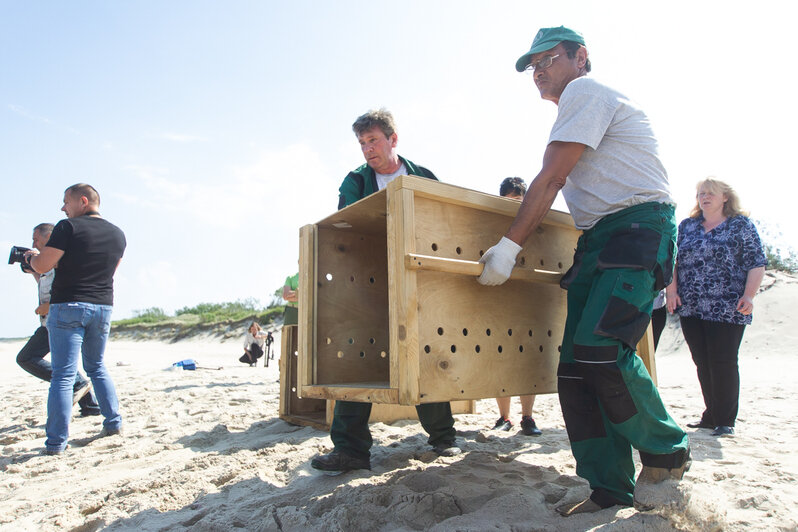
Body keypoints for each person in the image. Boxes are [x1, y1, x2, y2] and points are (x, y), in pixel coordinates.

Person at [478, 26, 690, 515]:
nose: (539, 71)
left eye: (548, 59)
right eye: (533, 66)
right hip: (596, 239)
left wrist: (509, 246)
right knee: (574, 370)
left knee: (600, 350)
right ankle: (609, 486)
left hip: (638, 228)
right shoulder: (575, 106)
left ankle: (666, 448)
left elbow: (552, 176)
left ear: (581, 58)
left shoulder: (586, 91)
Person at [311, 108, 460, 475]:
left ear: (393, 139)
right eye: (362, 143)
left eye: (373, 140)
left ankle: (443, 437)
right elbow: (346, 227)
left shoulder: (422, 176)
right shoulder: (356, 180)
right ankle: (350, 449)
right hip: (368, 284)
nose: (367, 150)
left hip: (419, 280)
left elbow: (444, 223)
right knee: (356, 356)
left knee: (424, 354)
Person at [26, 184, 126, 455]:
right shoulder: (118, 234)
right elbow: (109, 271)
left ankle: (56, 442)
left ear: (83, 201)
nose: (62, 208)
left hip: (69, 305)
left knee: (62, 375)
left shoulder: (67, 227)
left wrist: (33, 259)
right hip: (103, 306)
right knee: (96, 367)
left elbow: (42, 266)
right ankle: (113, 422)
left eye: (65, 202)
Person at [666, 178, 766, 437]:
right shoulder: (687, 226)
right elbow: (673, 261)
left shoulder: (740, 225)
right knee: (702, 362)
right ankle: (711, 415)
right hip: (691, 305)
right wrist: (672, 291)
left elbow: (756, 262)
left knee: (722, 361)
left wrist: (749, 295)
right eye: (700, 193)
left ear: (725, 197)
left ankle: (725, 419)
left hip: (728, 305)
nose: (704, 197)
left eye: (710, 193)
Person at [16, 223, 101, 417]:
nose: (33, 243)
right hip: (52, 320)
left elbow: (69, 287)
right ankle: (90, 406)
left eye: (36, 238)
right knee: (64, 362)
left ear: (49, 237)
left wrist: (47, 306)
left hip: (59, 319)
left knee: (26, 358)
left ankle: (79, 385)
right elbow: (48, 284)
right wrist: (35, 273)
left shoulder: (60, 257)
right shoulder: (45, 262)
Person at [492, 178, 542, 436]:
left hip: (526, 299)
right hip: (500, 298)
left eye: (519, 203)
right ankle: (504, 417)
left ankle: (528, 417)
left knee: (527, 360)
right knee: (501, 357)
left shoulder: (534, 222)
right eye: (509, 202)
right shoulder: (494, 223)